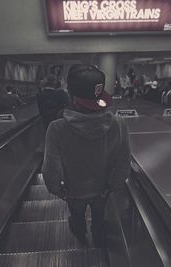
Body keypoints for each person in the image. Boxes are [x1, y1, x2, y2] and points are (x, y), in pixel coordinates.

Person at [42, 64, 131, 247]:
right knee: (99, 217)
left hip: (74, 192)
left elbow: (51, 169)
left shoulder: (57, 129)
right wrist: (111, 187)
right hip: (102, 190)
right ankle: (98, 237)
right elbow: (123, 163)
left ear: (72, 97)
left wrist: (57, 190)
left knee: (77, 217)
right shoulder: (119, 125)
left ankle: (81, 236)